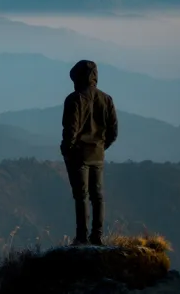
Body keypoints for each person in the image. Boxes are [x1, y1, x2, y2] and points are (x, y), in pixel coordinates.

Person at [60, 59, 119, 246]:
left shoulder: (74, 99)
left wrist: (67, 150)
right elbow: (113, 131)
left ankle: (82, 237)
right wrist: (102, 146)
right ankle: (97, 236)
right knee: (98, 196)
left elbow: (71, 130)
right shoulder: (106, 99)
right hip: (98, 155)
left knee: (81, 196)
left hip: (79, 156)